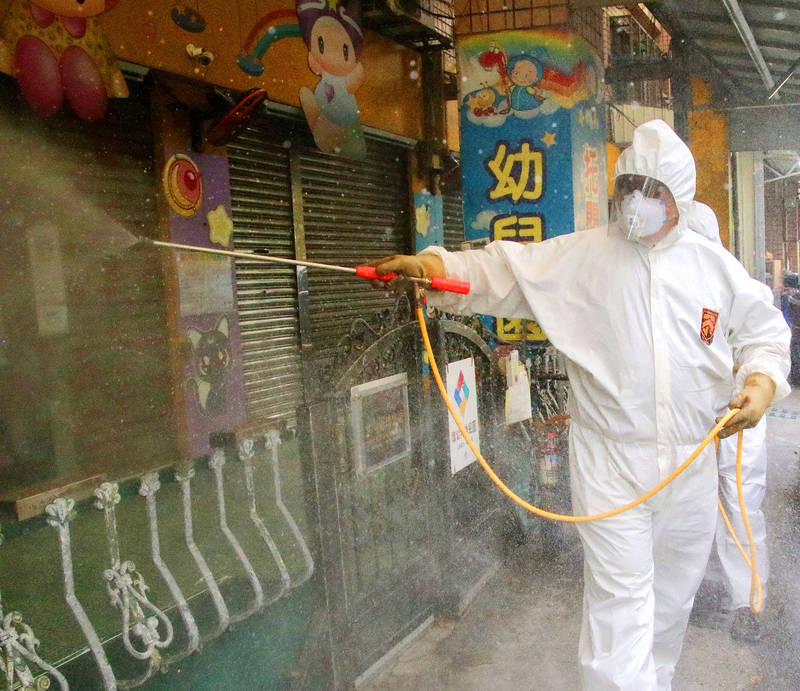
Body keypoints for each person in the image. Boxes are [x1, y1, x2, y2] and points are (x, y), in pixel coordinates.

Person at [372, 120, 791, 690]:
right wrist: (437, 267)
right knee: (620, 604)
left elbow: (762, 331)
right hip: (612, 464)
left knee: (671, 600)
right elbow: (504, 269)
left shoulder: (711, 265)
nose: (639, 202)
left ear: (680, 195)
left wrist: (762, 384)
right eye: (631, 187)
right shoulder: (583, 258)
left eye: (655, 189)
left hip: (691, 463)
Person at [687, 201, 770, 644]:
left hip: (737, 418)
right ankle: (685, 592)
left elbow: (762, 348)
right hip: (693, 418)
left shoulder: (740, 289)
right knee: (689, 503)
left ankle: (748, 603)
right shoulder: (675, 292)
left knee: (739, 506)